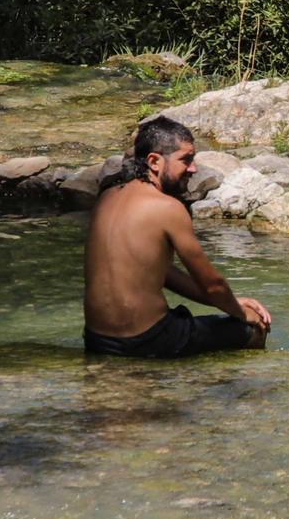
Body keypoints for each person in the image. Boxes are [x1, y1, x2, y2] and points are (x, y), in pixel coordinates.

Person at [83, 117, 272, 357]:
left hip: (98, 341)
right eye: (186, 159)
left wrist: (231, 302)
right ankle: (229, 383)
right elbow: (213, 285)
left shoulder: (107, 197)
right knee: (254, 328)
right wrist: (241, 312)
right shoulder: (168, 208)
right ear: (154, 161)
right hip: (151, 340)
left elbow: (160, 272)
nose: (193, 168)